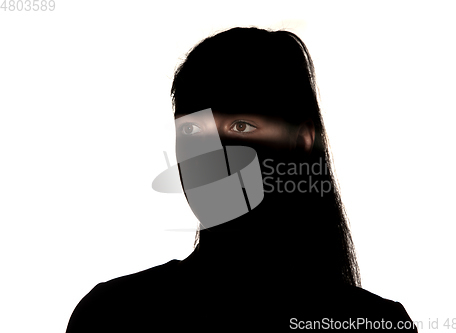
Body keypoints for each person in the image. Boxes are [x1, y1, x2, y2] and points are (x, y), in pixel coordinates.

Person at [66, 27, 418, 332]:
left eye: (240, 127)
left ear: (301, 141)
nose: (210, 154)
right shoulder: (113, 318)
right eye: (192, 129)